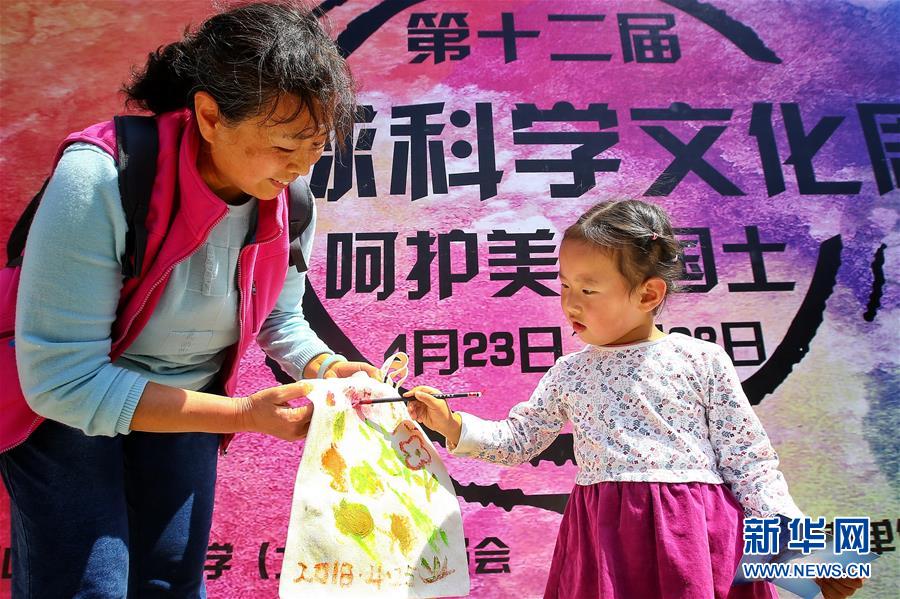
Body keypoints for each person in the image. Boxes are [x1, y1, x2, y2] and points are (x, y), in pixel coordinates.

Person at [0, 2, 379, 597]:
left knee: (171, 581)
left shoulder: (290, 196)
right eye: (286, 145)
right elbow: (63, 381)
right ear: (208, 115)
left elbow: (282, 317)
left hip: (185, 399)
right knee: (89, 586)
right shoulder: (100, 176)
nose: (302, 165)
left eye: (315, 145)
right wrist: (244, 415)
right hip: (62, 408)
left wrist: (327, 368)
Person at [405, 200, 866, 599]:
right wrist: (450, 423)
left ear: (648, 294)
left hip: (695, 538)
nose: (570, 303)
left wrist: (807, 552)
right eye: (564, 285)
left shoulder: (701, 359)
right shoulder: (570, 371)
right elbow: (519, 439)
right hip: (604, 543)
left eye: (588, 290)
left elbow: (751, 464)